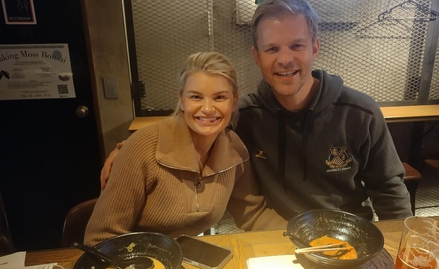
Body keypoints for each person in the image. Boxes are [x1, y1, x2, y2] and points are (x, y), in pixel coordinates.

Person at [101, 0, 412, 222]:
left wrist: (399, 247)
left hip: (348, 236)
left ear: (315, 47)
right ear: (256, 56)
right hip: (277, 236)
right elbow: (196, 128)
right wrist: (130, 149)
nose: (285, 59)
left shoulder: (360, 112)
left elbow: (388, 190)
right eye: (272, 49)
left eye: (297, 46)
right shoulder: (245, 116)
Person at [84, 52, 287, 246]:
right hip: (136, 264)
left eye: (219, 98)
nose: (207, 109)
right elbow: (102, 238)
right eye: (196, 97)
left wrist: (304, 237)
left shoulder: (235, 149)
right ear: (181, 99)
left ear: (234, 101)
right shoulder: (142, 147)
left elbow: (252, 214)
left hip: (186, 258)